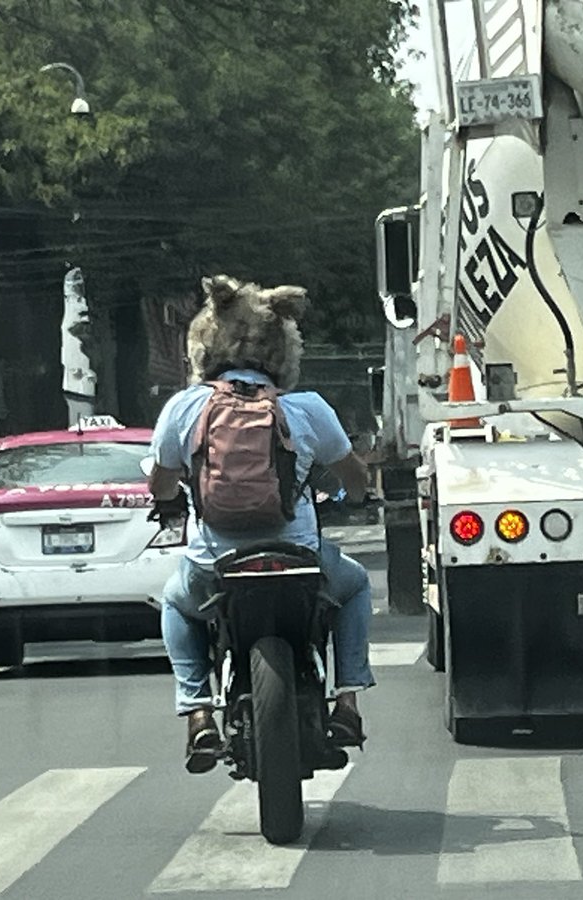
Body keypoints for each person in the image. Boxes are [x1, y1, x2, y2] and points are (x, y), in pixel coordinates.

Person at [148, 274, 375, 774]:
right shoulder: (308, 408)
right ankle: (348, 703)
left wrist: (170, 498)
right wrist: (358, 496)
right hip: (300, 561)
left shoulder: (184, 408)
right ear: (284, 351)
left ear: (205, 345)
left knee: (176, 603)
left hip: (214, 566)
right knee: (355, 587)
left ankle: (199, 712)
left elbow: (161, 484)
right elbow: (354, 478)